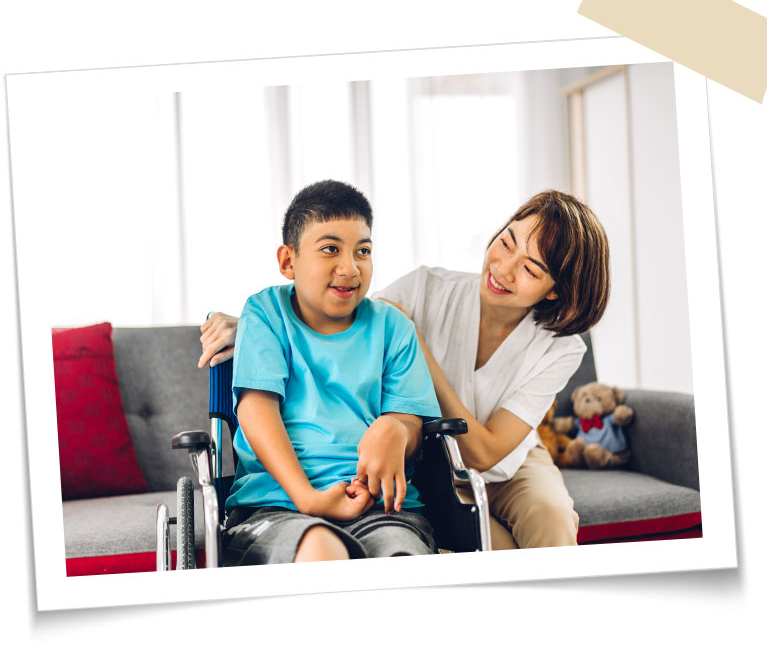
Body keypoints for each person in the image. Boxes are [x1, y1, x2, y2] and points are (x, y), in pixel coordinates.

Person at [201, 190, 610, 550]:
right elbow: (336, 308)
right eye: (506, 242)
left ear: (554, 289)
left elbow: (485, 453)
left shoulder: (561, 348)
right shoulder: (426, 287)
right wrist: (250, 326)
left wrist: (420, 349)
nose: (503, 268)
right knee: (490, 548)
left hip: (505, 458)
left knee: (553, 518)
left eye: (531, 269)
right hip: (435, 458)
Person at [219, 179, 441, 566]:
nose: (350, 267)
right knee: (322, 551)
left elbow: (412, 427)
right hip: (277, 504)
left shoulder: (393, 327)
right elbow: (256, 409)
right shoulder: (265, 313)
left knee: (401, 559)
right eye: (330, 249)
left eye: (363, 251)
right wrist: (307, 497)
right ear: (289, 261)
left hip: (383, 507)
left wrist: (397, 429)